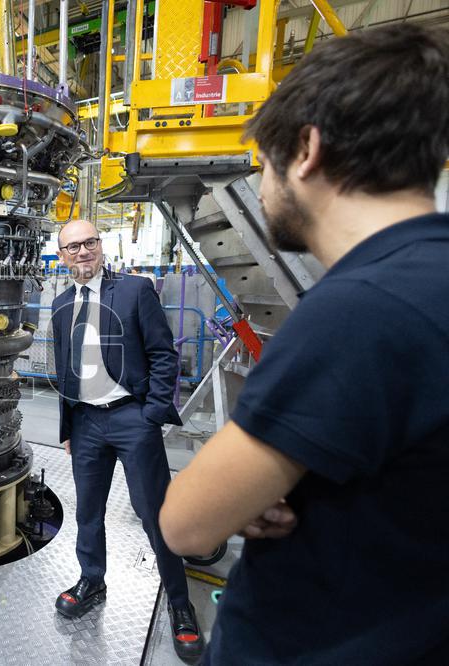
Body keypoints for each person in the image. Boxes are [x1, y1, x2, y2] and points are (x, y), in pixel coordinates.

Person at [159, 23, 449, 665]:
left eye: (263, 166)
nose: (262, 191)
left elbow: (186, 523)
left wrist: (239, 494)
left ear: (307, 150)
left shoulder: (357, 312)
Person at [51, 220, 203, 662]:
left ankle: (179, 602)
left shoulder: (135, 291)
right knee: (88, 512)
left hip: (131, 418)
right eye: (72, 246)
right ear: (62, 255)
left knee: (155, 513)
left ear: (101, 246)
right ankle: (91, 580)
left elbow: (162, 354)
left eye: (90, 243)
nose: (82, 252)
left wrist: (151, 414)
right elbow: (65, 368)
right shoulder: (61, 304)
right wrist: (67, 427)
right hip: (85, 425)